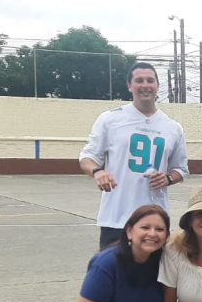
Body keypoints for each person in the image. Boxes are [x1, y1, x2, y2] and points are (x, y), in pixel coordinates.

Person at [79, 62, 188, 249]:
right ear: (129, 86)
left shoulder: (173, 127)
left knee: (153, 269)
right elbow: (87, 157)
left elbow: (181, 169)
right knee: (112, 268)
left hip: (155, 222)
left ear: (157, 85)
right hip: (116, 219)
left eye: (150, 80)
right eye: (139, 80)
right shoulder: (110, 119)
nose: (145, 85)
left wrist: (168, 179)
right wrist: (98, 172)